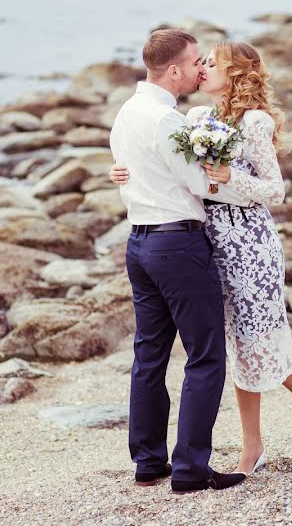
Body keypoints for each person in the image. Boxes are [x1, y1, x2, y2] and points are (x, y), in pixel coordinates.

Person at [110, 40, 292, 478]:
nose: (203, 68)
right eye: (200, 62)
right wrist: (122, 169)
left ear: (236, 75)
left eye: (212, 63)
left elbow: (275, 191)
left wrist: (230, 179)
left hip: (249, 242)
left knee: (257, 338)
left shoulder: (255, 123)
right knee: (229, 343)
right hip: (207, 241)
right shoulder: (194, 118)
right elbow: (171, 167)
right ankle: (253, 445)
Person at [109, 29, 251, 494]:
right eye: (194, 62)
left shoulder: (128, 113)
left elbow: (126, 168)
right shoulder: (166, 121)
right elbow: (199, 184)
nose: (199, 69)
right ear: (173, 70)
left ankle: (148, 462)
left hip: (140, 245)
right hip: (178, 246)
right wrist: (242, 185)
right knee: (206, 356)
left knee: (149, 355)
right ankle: (190, 468)